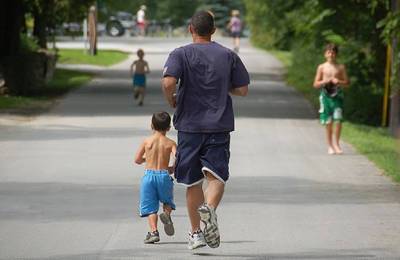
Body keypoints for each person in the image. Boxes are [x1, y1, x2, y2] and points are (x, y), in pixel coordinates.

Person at [161, 10, 249, 250]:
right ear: (213, 30)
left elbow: (168, 82)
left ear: (191, 29)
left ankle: (196, 233)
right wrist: (223, 86)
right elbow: (242, 89)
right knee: (216, 177)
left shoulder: (180, 54)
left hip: (189, 127)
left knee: (192, 183)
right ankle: (209, 209)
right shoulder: (228, 55)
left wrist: (172, 100)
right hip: (218, 126)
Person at [134, 111, 177, 244]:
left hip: (149, 176)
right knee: (167, 201)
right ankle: (167, 215)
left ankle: (153, 232)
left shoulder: (147, 141)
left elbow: (137, 159)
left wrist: (146, 159)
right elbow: (178, 158)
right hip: (164, 175)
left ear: (152, 125)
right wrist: (172, 168)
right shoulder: (170, 143)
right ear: (169, 128)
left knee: (151, 207)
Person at [313, 43, 350, 154]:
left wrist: (339, 81)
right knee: (328, 122)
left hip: (337, 96)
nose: (331, 54)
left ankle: (337, 145)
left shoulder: (341, 67)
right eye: (329, 52)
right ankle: (330, 146)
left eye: (333, 52)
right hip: (325, 97)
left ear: (336, 54)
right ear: (325, 54)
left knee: (338, 120)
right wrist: (325, 81)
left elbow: (347, 83)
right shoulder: (321, 67)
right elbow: (315, 84)